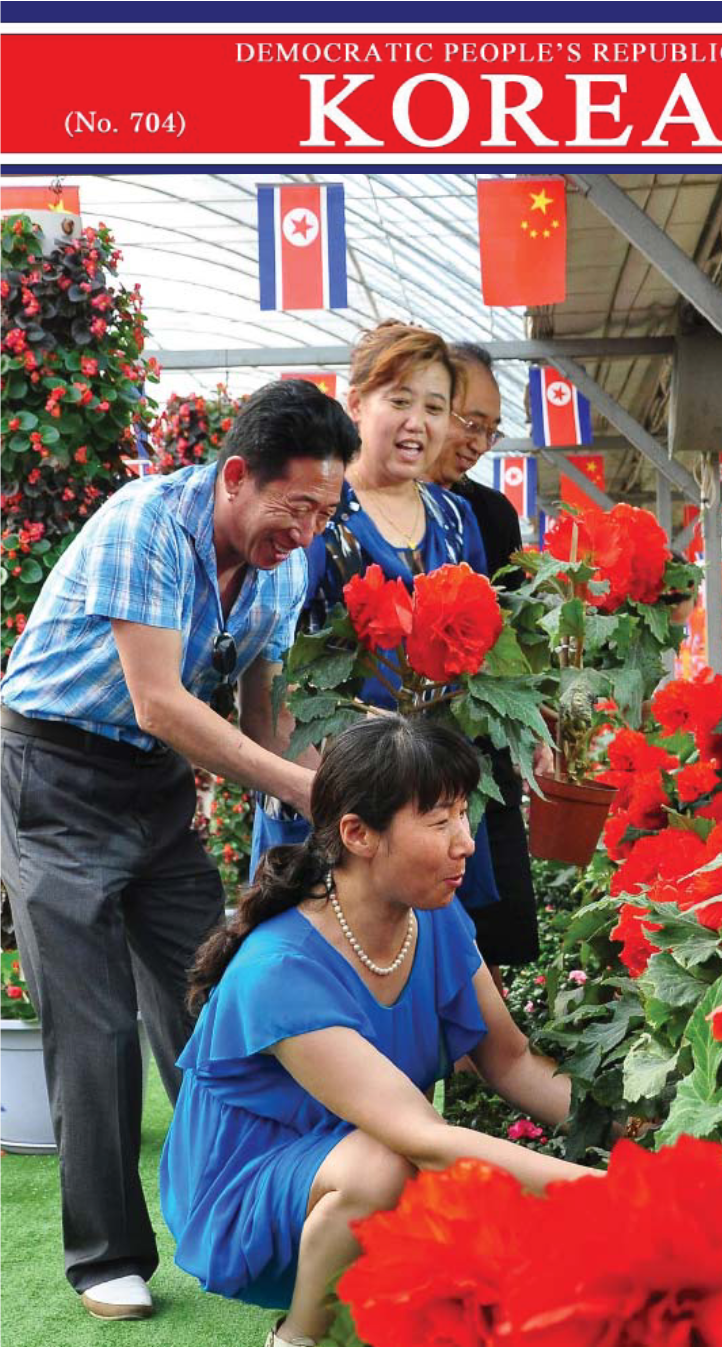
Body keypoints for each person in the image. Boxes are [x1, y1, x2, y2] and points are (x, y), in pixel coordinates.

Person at [0, 378, 357, 1321]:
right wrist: (300, 789)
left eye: (325, 512)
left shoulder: (279, 568)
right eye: (296, 506)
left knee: (216, 988)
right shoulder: (145, 522)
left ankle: (244, 1207)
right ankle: (104, 1256)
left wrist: (343, 792)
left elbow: (268, 719)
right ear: (236, 476)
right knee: (94, 1019)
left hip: (157, 786)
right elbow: (158, 698)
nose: (308, 531)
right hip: (53, 768)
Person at [161, 715, 593, 1347]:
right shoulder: (279, 969)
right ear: (358, 835)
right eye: (439, 820)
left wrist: (636, 1131)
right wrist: (616, 1193)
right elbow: (424, 1139)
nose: (465, 842)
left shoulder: (434, 918)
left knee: (394, 1166)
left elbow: (512, 1062)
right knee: (390, 1163)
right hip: (245, 1195)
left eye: (463, 815)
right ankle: (298, 1338)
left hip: (358, 1155)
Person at [251, 322, 497, 917]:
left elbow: (487, 646)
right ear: (356, 404)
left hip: (438, 790)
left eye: (436, 407)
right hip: (340, 790)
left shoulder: (456, 518)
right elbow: (274, 670)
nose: (419, 422)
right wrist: (329, 797)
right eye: (400, 400)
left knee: (436, 960)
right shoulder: (321, 517)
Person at [428, 342, 542, 978]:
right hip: (402, 754)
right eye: (469, 422)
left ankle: (482, 1070)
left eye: (490, 431)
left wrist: (532, 721)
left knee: (485, 944)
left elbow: (514, 638)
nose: (476, 441)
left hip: (480, 751)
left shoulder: (489, 515)